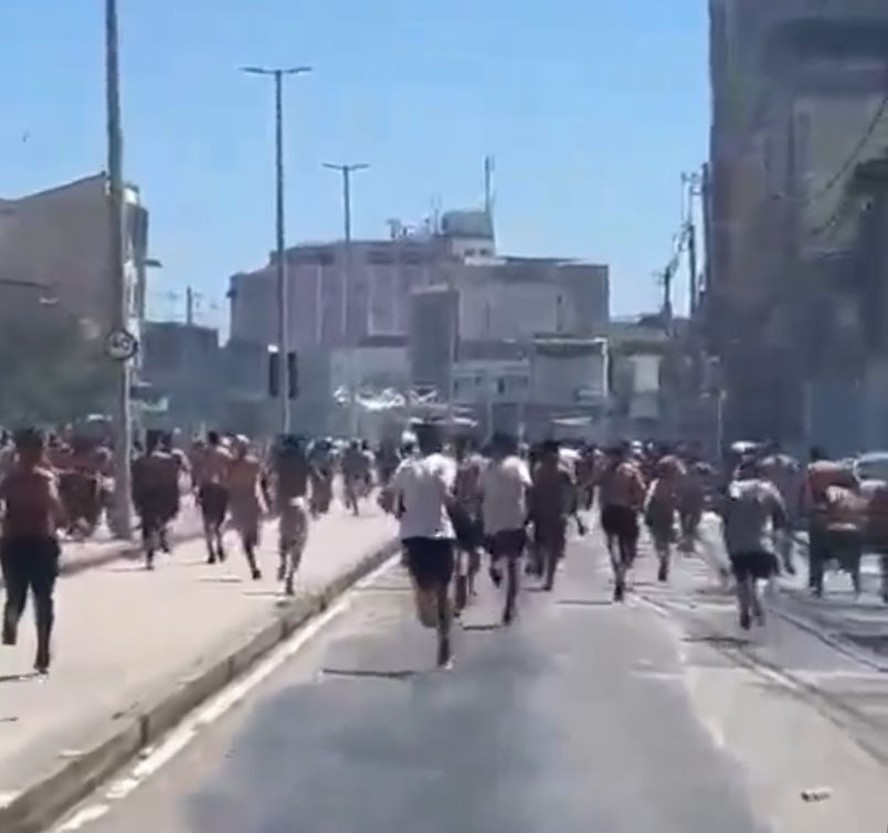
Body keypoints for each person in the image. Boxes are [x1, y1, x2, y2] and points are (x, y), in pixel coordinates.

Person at [390, 421, 457, 667]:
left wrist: (397, 510)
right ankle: (444, 639)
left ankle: (445, 645)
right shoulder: (440, 464)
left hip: (422, 535)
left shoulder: (409, 466)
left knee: (433, 590)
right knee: (436, 592)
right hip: (434, 533)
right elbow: (447, 491)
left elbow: (388, 495)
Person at [0, 428, 65, 674]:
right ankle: (42, 652)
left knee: (19, 595)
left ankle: (15, 625)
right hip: (39, 542)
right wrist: (66, 520)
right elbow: (54, 505)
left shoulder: (9, 479)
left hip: (16, 542)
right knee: (42, 599)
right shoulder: (44, 478)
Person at [721, 458, 787, 630]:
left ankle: (744, 609)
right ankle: (758, 596)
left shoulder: (733, 488)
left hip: (737, 543)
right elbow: (781, 514)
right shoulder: (768, 488)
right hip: (762, 542)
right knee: (761, 578)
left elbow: (724, 516)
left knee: (742, 579)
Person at [480, 432, 532, 625]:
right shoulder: (518, 465)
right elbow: (528, 485)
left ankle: (495, 568)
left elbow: (479, 491)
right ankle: (510, 608)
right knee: (514, 565)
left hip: (492, 521)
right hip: (514, 519)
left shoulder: (488, 468)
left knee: (496, 556)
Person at [529, 439, 585, 591]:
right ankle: (545, 573)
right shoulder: (546, 469)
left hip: (551, 512)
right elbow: (572, 492)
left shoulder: (551, 470)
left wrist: (570, 511)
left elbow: (571, 492)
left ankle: (548, 578)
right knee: (545, 546)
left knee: (549, 547)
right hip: (547, 512)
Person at [598, 443, 646, 601]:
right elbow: (640, 490)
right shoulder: (631, 470)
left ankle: (619, 575)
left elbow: (589, 484)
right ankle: (621, 575)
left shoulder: (605, 471)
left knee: (613, 547)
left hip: (610, 511)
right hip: (626, 511)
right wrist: (639, 506)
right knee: (628, 550)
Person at [273, 435, 312, 596]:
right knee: (300, 540)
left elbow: (271, 476)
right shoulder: (303, 459)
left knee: (283, 536)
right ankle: (290, 578)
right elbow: (314, 474)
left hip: (283, 499)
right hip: (299, 499)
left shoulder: (280, 459)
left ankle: (282, 562)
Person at [227, 436, 268, 580]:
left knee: (248, 540)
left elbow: (227, 483)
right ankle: (254, 567)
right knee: (250, 539)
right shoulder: (254, 463)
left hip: (241, 503)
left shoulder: (232, 465)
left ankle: (253, 565)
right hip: (250, 502)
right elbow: (262, 483)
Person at [194, 430, 231, 564]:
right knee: (220, 521)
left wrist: (197, 491)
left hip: (207, 488)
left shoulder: (203, 454)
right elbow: (231, 470)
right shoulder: (225, 454)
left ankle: (211, 552)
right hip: (222, 488)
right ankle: (220, 545)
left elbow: (198, 472)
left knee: (207, 522)